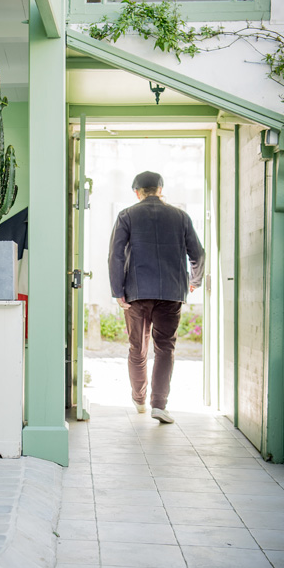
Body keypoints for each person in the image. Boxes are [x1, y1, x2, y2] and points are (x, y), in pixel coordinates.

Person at [108, 171, 205, 424]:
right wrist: (195, 280)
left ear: (137, 192)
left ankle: (139, 399)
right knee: (165, 349)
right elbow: (198, 254)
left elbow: (116, 255)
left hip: (136, 294)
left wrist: (118, 290)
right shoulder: (181, 217)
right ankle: (159, 405)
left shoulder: (127, 215)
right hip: (172, 293)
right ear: (160, 189)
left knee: (137, 348)